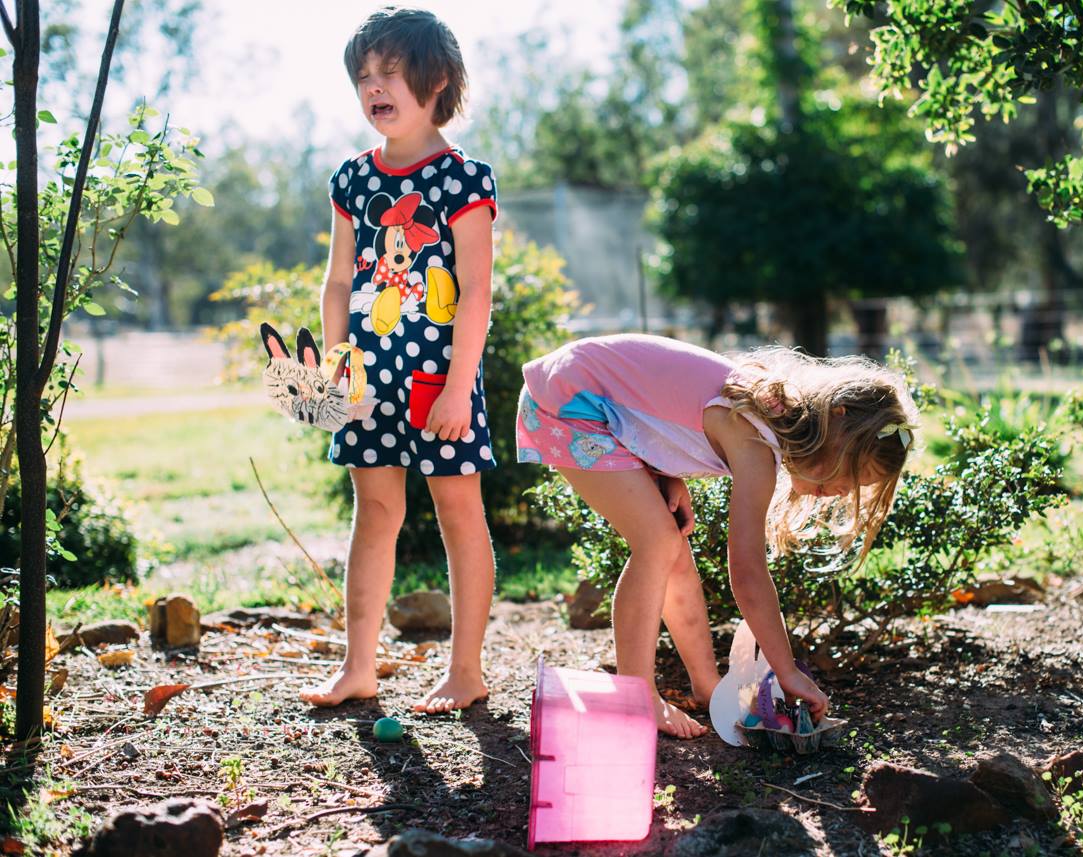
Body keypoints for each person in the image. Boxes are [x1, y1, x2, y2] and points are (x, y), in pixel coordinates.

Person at [516, 334, 919, 737]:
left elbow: (661, 398)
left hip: (595, 398)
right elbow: (747, 574)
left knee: (670, 543)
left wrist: (665, 470)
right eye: (851, 475)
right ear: (837, 420)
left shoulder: (769, 413)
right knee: (656, 542)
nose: (844, 491)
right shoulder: (757, 442)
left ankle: (707, 687)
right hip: (568, 401)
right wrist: (787, 670)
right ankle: (636, 696)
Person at [302, 7, 498, 713]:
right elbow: (337, 282)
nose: (374, 86)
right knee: (374, 511)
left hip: (439, 383)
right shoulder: (351, 178)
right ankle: (359, 665)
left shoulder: (463, 178)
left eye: (389, 72)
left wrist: (458, 388)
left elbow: (476, 292)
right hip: (366, 382)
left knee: (458, 513)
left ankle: (466, 668)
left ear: (435, 79)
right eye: (365, 76)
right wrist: (334, 371)